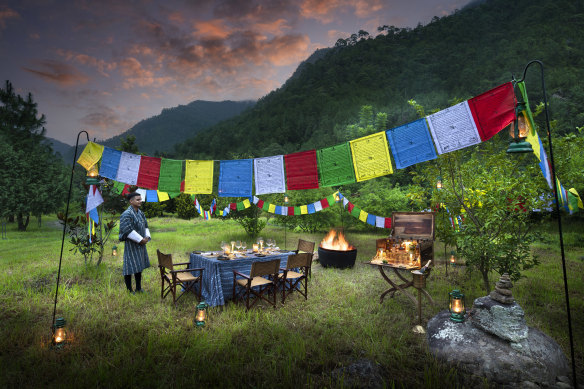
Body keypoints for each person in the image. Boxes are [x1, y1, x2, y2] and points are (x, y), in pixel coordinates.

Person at [119, 191, 151, 293]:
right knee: (129, 267)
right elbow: (127, 229)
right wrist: (140, 240)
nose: (140, 201)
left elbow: (145, 226)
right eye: (138, 200)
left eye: (140, 199)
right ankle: (129, 290)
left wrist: (146, 237)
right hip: (131, 244)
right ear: (131, 201)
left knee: (139, 266)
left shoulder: (141, 213)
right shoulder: (126, 214)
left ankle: (138, 288)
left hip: (141, 244)